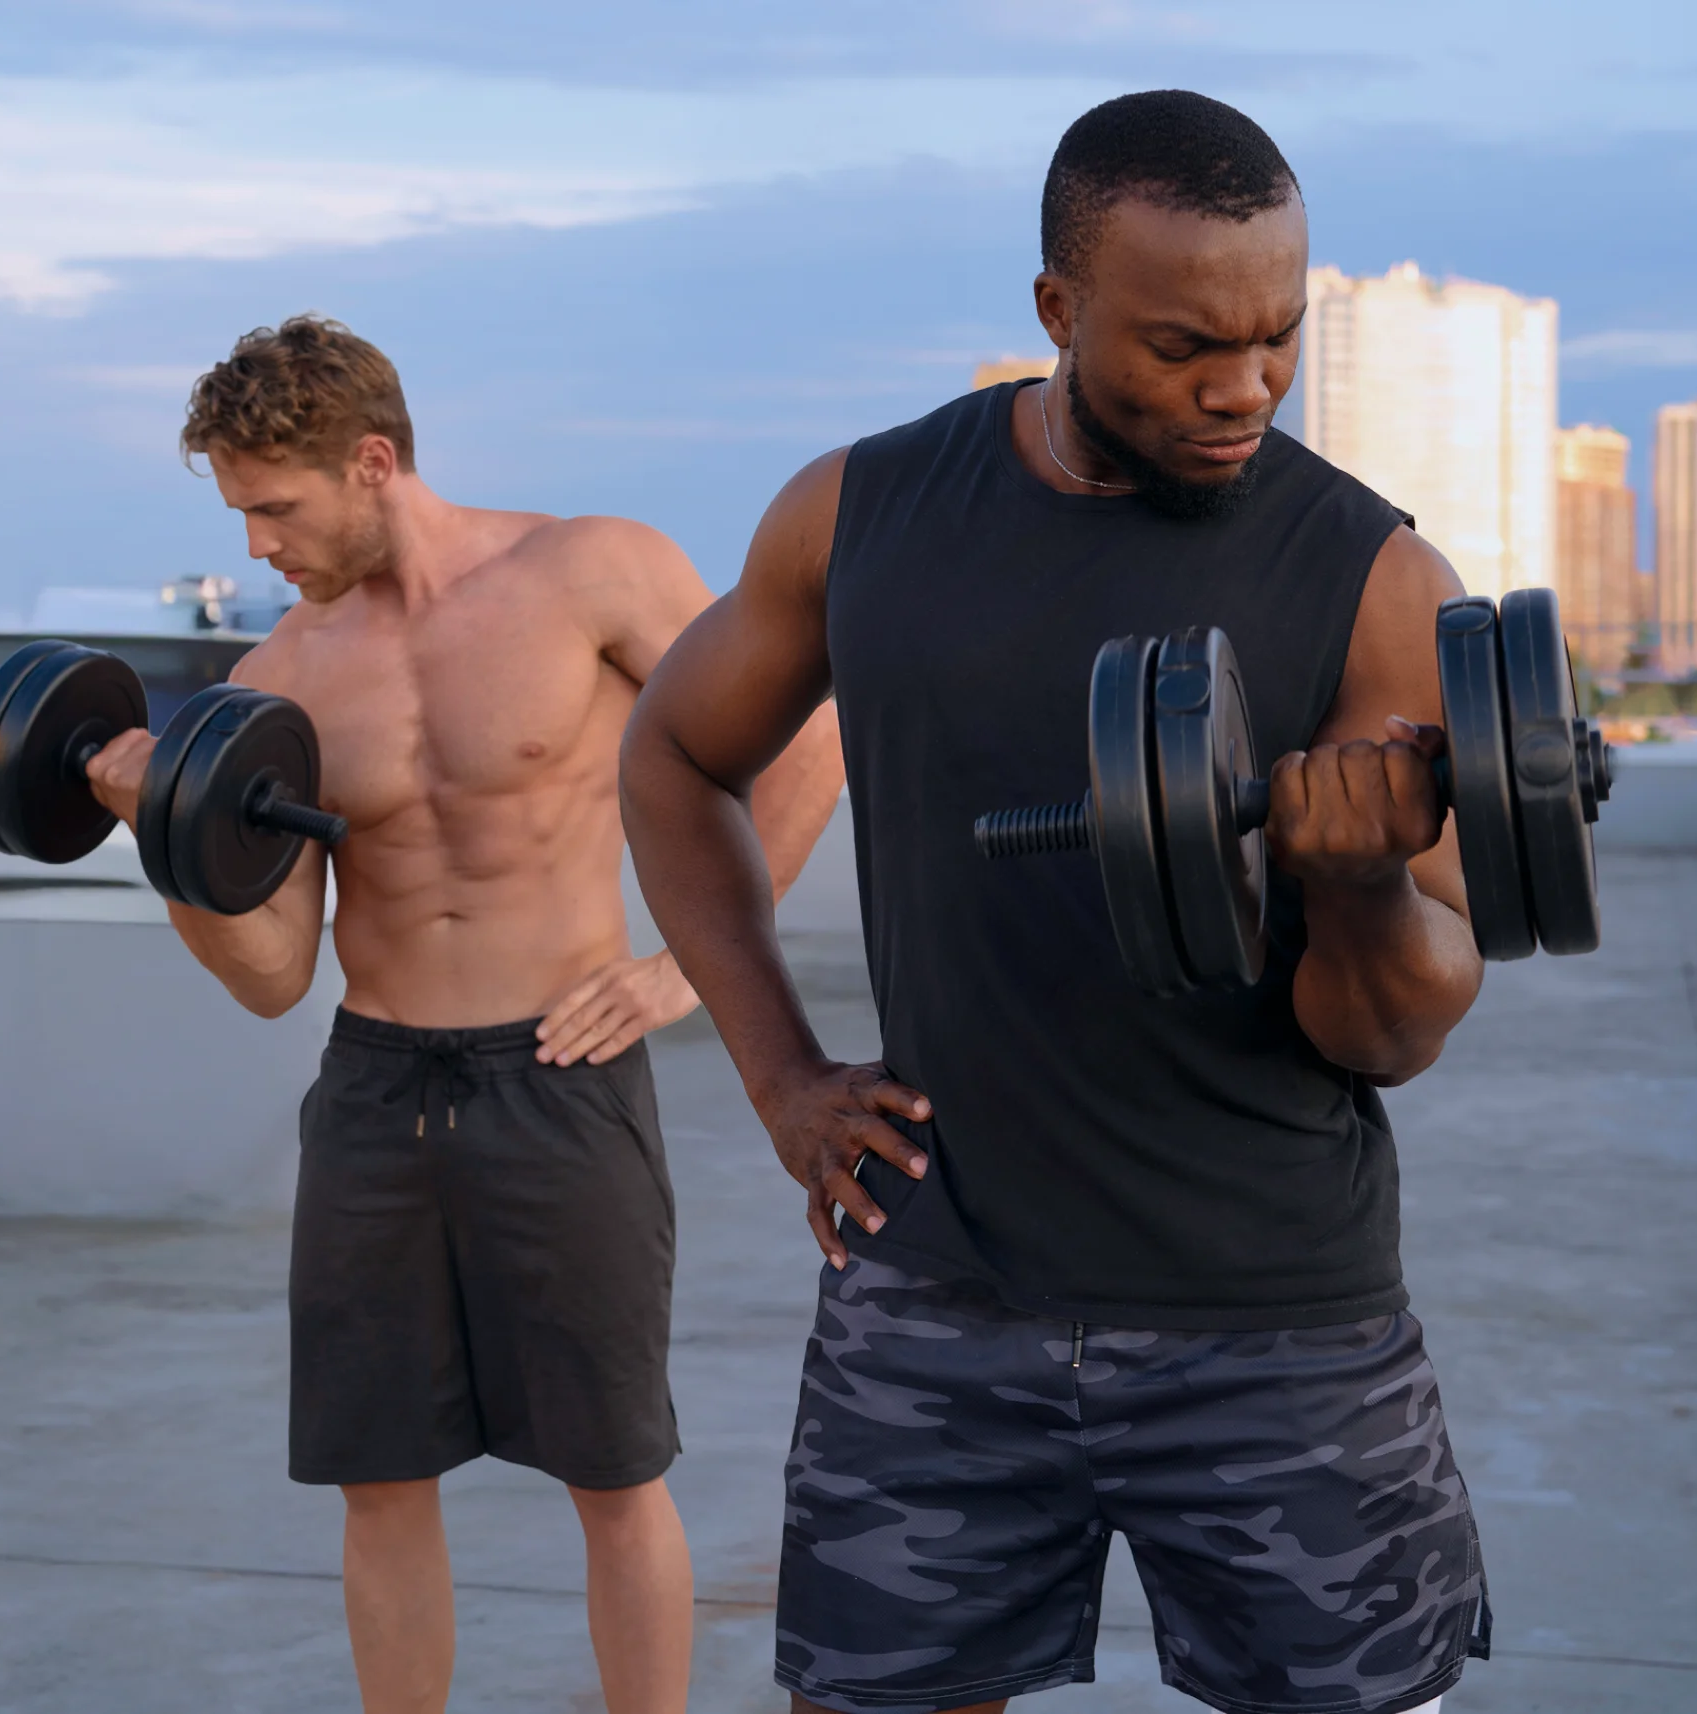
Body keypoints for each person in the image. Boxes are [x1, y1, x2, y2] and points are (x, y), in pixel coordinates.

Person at [620, 92, 1490, 1714]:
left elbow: (1399, 1031)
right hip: (937, 1295)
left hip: (1273, 1320)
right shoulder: (863, 514)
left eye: (1279, 336)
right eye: (1182, 348)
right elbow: (672, 754)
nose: (1243, 388)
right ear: (1057, 309)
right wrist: (781, 1075)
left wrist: (1360, 878)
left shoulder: (1371, 577)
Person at [82, 316, 845, 1714]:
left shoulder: (591, 572)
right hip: (376, 1092)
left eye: (275, 506)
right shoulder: (279, 685)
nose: (258, 546)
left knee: (617, 1473)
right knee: (378, 1482)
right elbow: (270, 972)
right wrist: (165, 832)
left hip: (561, 1079)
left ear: (373, 461)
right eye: (239, 511)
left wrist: (686, 966)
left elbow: (806, 736)